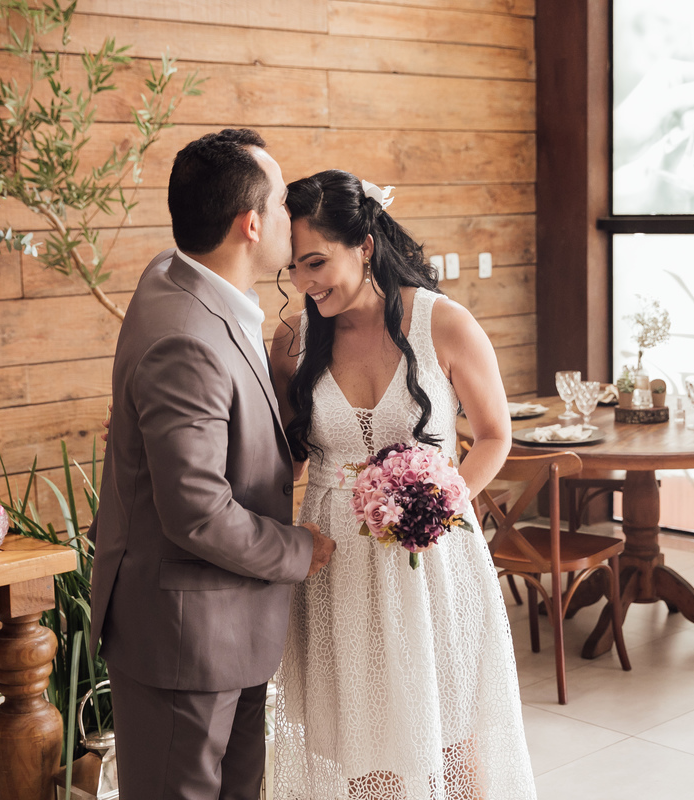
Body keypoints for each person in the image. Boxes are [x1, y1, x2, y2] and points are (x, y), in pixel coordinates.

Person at [269, 170, 536, 800]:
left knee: (450, 725)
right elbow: (290, 459)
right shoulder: (293, 341)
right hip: (336, 561)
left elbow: (495, 434)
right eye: (293, 269)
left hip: (433, 556)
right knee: (362, 737)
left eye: (317, 262)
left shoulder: (444, 324)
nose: (306, 284)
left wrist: (441, 499)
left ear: (363, 244)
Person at [88, 128, 336, 799]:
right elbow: (195, 511)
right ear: (251, 225)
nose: (296, 216)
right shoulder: (185, 338)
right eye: (285, 203)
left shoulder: (178, 276)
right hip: (185, 636)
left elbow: (227, 432)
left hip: (225, 622)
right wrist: (298, 551)